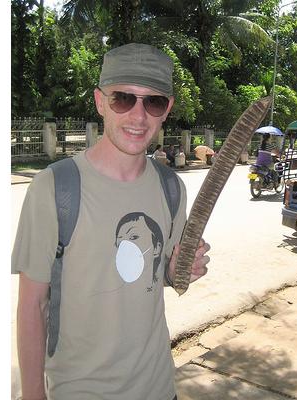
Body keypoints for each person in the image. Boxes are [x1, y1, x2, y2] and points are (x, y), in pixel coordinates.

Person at [12, 43, 211, 400]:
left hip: (158, 388)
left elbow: (160, 274)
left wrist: (178, 269)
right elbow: (32, 306)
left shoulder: (171, 188)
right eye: (123, 99)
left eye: (153, 102)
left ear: (167, 109)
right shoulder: (54, 188)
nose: (138, 116)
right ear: (100, 101)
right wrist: (32, 394)